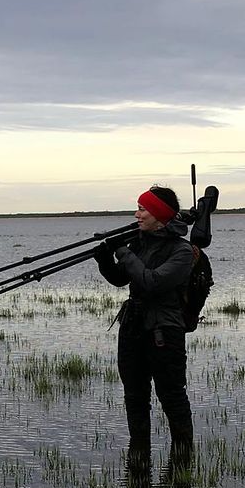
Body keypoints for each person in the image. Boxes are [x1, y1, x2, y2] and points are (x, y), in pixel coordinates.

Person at [96, 186, 196, 460]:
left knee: (171, 395)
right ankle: (139, 456)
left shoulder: (182, 251)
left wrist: (123, 252)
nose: (137, 214)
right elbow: (121, 278)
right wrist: (105, 259)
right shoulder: (140, 242)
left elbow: (151, 282)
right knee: (134, 395)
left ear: (159, 214)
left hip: (164, 331)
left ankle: (183, 458)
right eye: (138, 208)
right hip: (133, 327)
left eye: (143, 209)